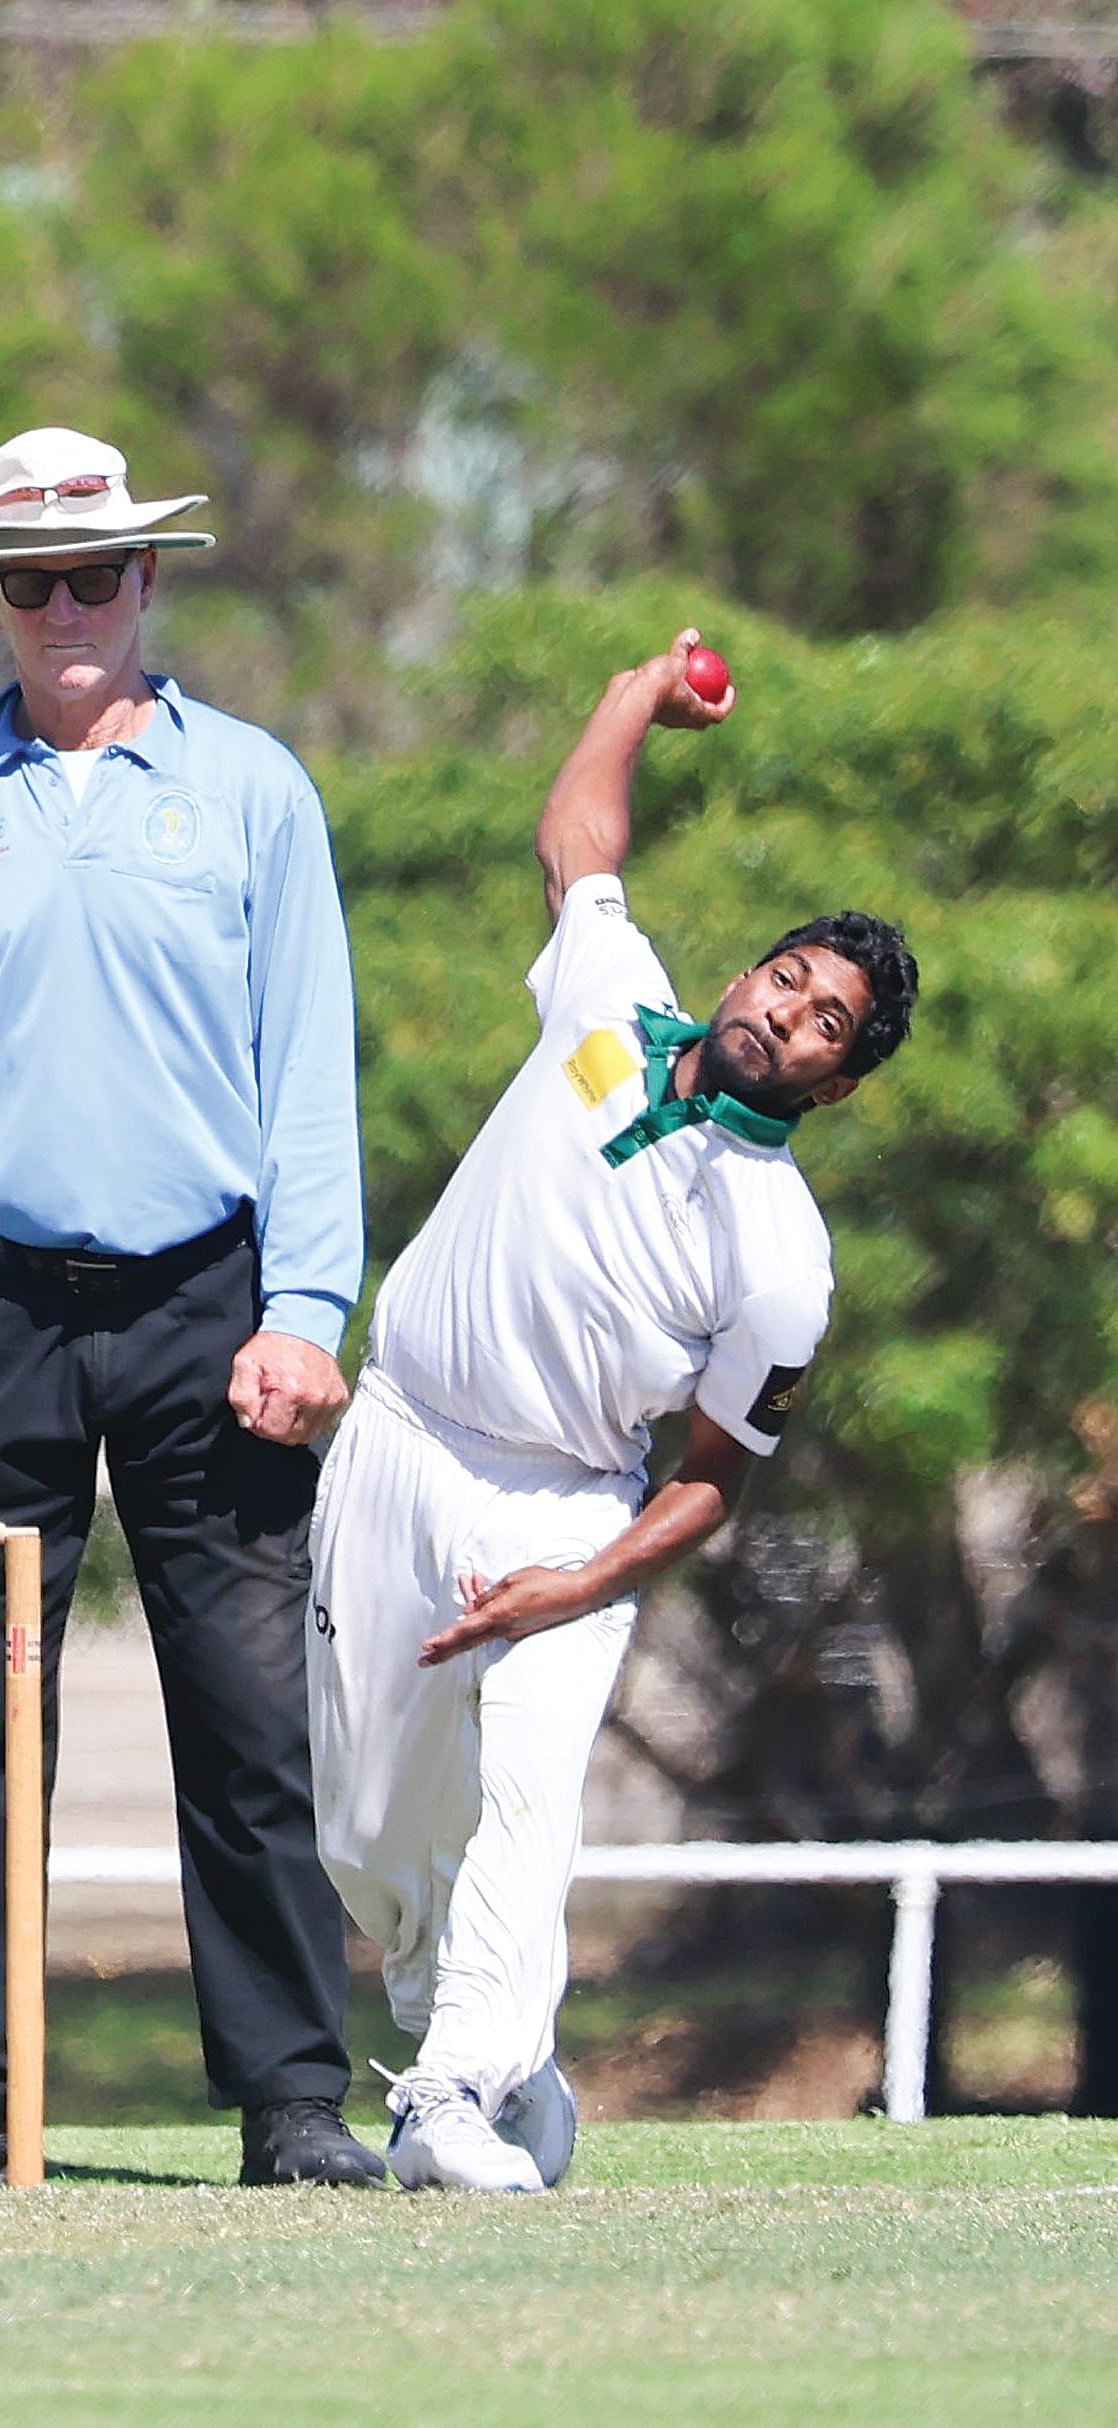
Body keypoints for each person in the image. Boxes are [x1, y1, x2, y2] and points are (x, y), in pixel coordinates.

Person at [0, 425, 383, 2190]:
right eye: (29, 578)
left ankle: (295, 2103)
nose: (65, 605)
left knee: (245, 1712)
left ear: (149, 580)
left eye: (95, 573)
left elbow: (308, 1074)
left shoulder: (252, 791)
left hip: (208, 1303)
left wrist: (305, 1303)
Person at [307, 628, 918, 2193]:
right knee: (367, 1839)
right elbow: (577, 834)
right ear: (745, 973)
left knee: (523, 1799)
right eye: (789, 978)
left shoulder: (783, 1255)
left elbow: (714, 1477)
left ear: (835, 1083)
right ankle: (500, 2048)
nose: (791, 1013)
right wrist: (638, 694)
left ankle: (449, 2092)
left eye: (827, 1022)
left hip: (568, 1501)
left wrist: (580, 1581)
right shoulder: (609, 996)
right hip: (396, 1438)